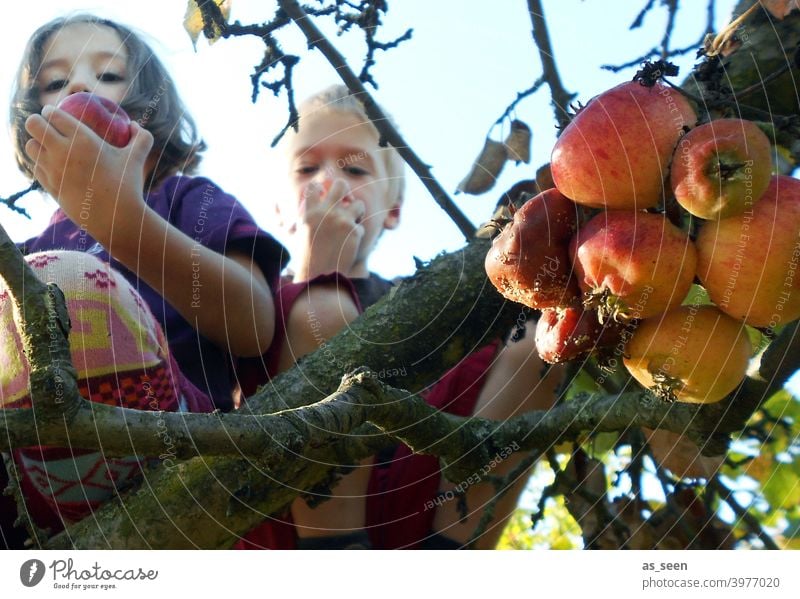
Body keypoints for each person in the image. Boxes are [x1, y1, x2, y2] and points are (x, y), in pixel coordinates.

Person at [0, 14, 287, 543]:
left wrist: (123, 222)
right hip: (31, 470)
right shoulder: (22, 258)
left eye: (108, 75)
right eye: (56, 83)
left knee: (70, 281)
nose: (81, 86)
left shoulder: (187, 201)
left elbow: (253, 324)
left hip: (176, 443)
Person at [236, 85, 561, 549]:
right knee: (322, 307)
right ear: (280, 210)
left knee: (536, 341)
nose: (328, 180)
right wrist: (319, 258)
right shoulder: (260, 294)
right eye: (307, 168)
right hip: (285, 519)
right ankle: (335, 547)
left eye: (354, 168)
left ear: (392, 211)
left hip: (421, 504)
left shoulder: (417, 303)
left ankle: (452, 548)